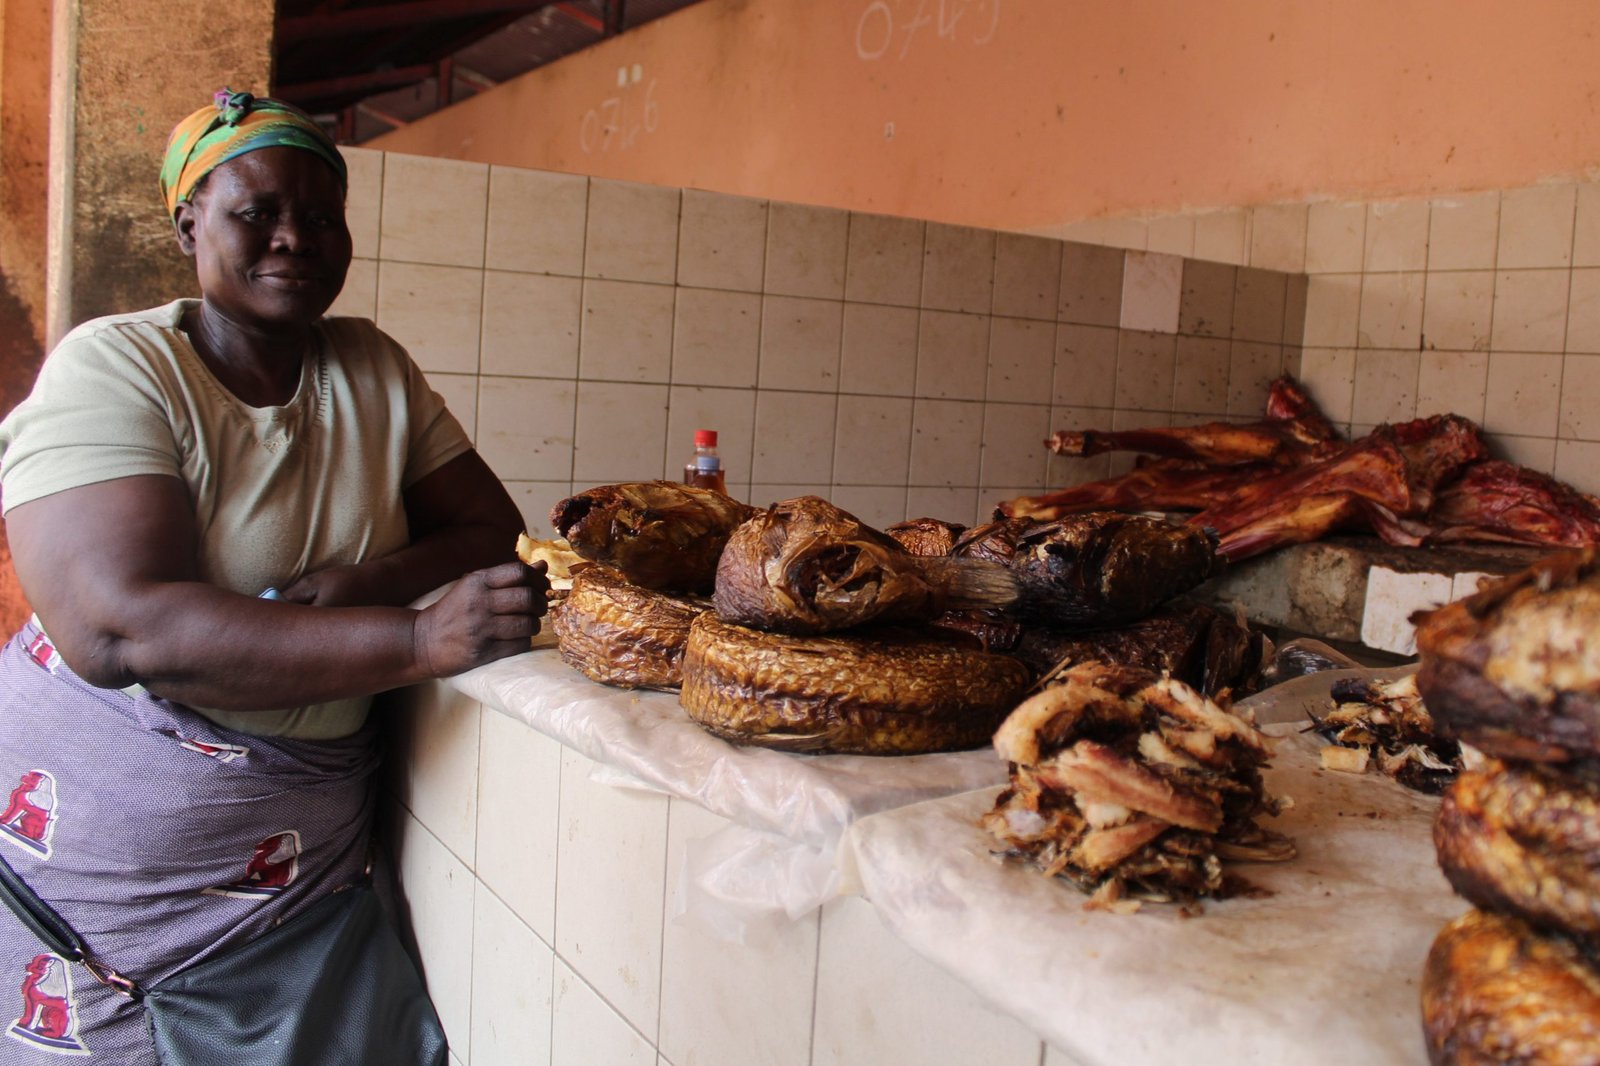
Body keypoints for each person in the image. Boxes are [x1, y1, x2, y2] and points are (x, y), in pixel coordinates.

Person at [0, 88, 546, 1063]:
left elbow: (486, 524)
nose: (294, 239)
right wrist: (416, 638)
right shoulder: (117, 369)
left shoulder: (370, 367)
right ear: (188, 225)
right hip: (97, 896)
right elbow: (119, 630)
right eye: (257, 212)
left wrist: (370, 578)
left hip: (290, 881)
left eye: (323, 218)